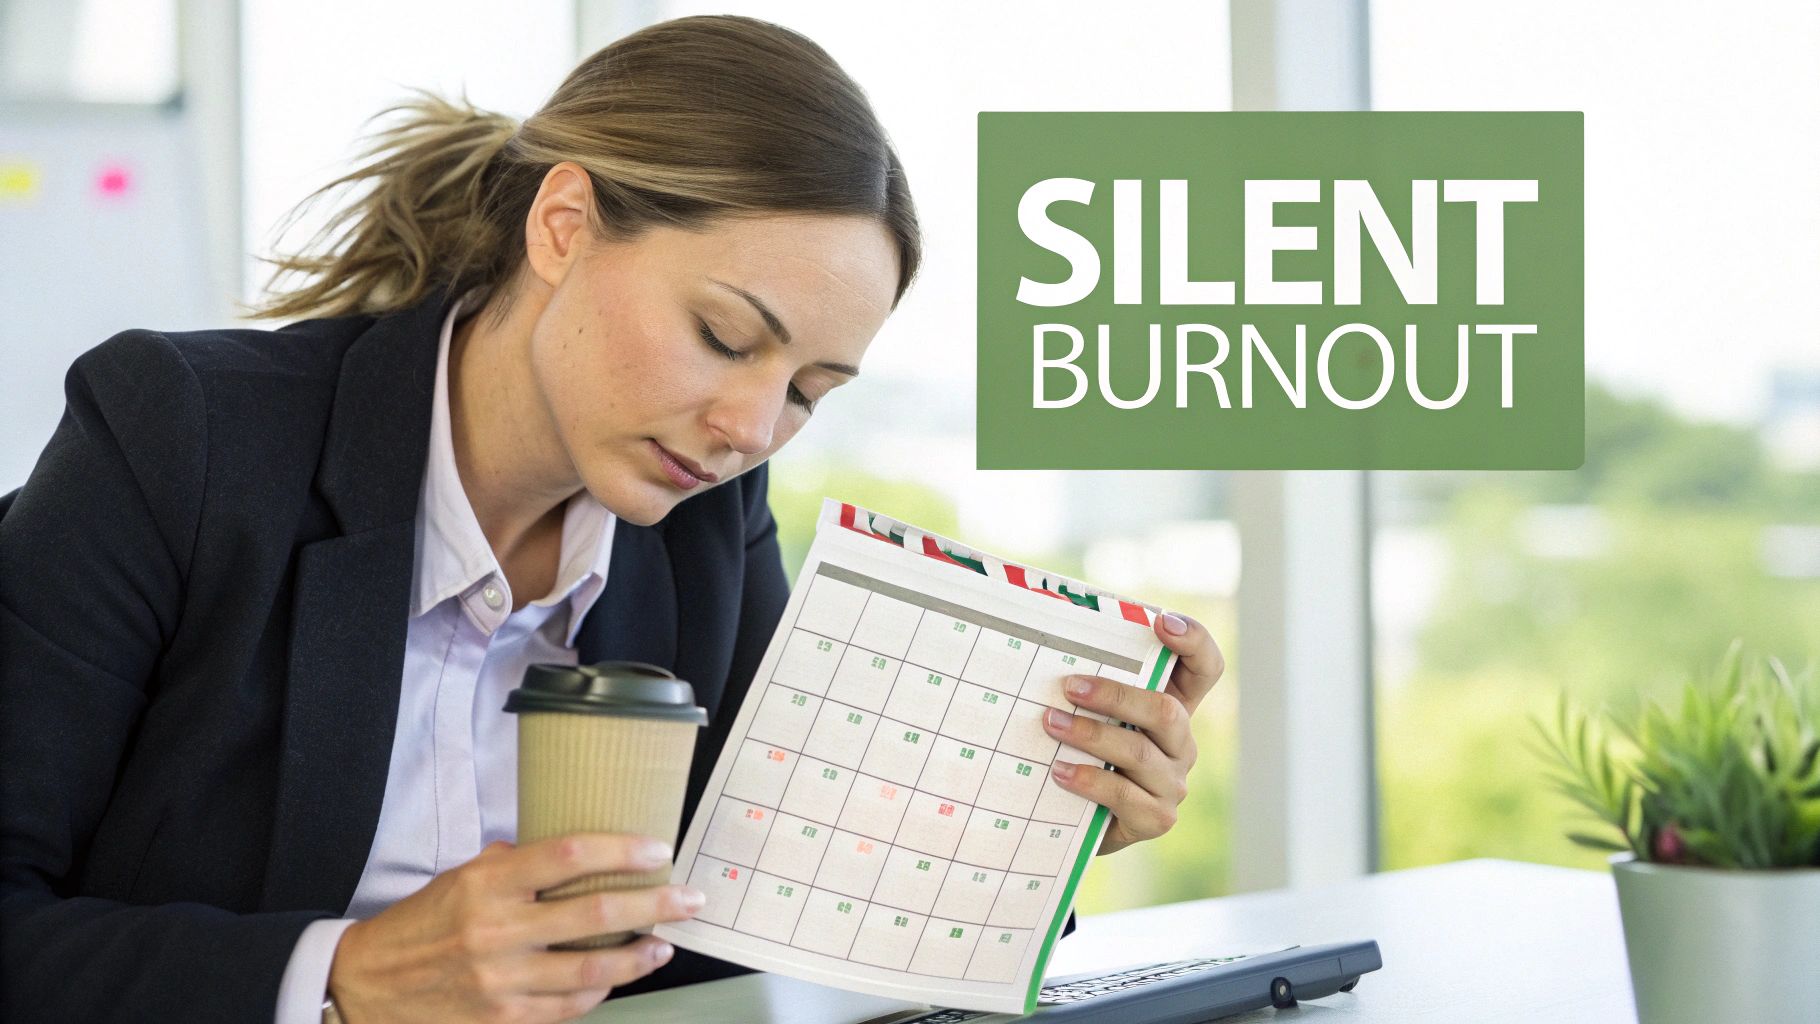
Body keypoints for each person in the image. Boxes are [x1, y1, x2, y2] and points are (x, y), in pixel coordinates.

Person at [0, 14, 1224, 1024]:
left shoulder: (705, 520)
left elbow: (757, 894)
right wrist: (345, 977)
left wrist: (1044, 817)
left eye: (807, 392)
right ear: (563, 226)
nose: (750, 427)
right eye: (724, 337)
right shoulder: (182, 436)